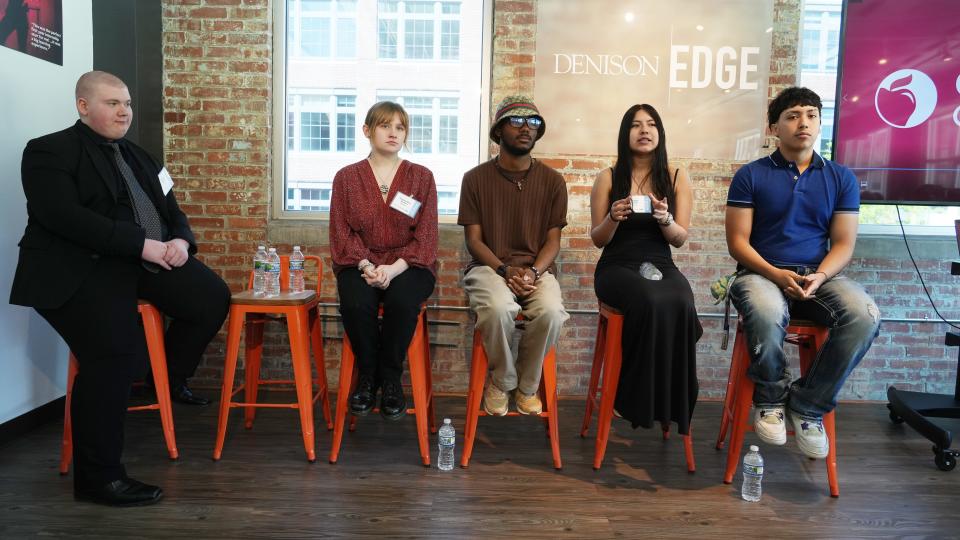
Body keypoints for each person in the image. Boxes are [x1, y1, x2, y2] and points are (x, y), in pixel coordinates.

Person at [9, 71, 231, 506]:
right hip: (77, 269)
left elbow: (172, 209)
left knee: (211, 297)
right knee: (113, 354)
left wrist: (181, 241)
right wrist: (143, 245)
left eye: (127, 103)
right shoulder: (47, 151)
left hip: (140, 261)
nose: (124, 111)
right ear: (83, 106)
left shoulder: (142, 157)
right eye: (112, 102)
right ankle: (99, 479)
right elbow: (65, 219)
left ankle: (164, 378)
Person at [725, 86, 881, 459]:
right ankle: (771, 399)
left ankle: (808, 405)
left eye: (811, 115)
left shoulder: (841, 178)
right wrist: (777, 275)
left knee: (865, 315)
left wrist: (821, 277)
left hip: (818, 275)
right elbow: (738, 243)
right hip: (760, 273)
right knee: (767, 310)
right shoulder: (751, 175)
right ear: (774, 127)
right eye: (793, 115)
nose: (803, 123)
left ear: (820, 122)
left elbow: (843, 243)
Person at [590, 104, 702, 434]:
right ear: (625, 134)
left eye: (651, 124)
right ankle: (631, 397)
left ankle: (666, 401)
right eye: (636, 125)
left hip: (661, 262)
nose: (644, 130)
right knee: (649, 300)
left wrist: (665, 218)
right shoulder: (608, 177)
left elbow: (680, 239)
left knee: (682, 300)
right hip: (616, 265)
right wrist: (613, 216)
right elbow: (598, 239)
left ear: (660, 133)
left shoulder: (677, 176)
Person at [458, 95, 569, 416]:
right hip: (489, 267)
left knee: (550, 311)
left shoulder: (552, 182)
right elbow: (474, 241)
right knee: (498, 307)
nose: (526, 128)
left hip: (537, 271)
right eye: (517, 121)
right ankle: (503, 381)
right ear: (498, 131)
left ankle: (526, 387)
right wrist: (505, 270)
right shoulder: (475, 179)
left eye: (533, 122)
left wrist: (532, 273)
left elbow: (553, 242)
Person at [329, 101, 438, 421]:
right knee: (355, 302)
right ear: (367, 130)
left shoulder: (421, 177)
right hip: (359, 262)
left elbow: (427, 236)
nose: (393, 133)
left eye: (400, 127)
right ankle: (367, 376)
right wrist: (366, 266)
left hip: (410, 264)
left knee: (403, 302)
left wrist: (393, 269)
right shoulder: (346, 178)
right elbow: (341, 234)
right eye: (385, 126)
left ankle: (389, 379)